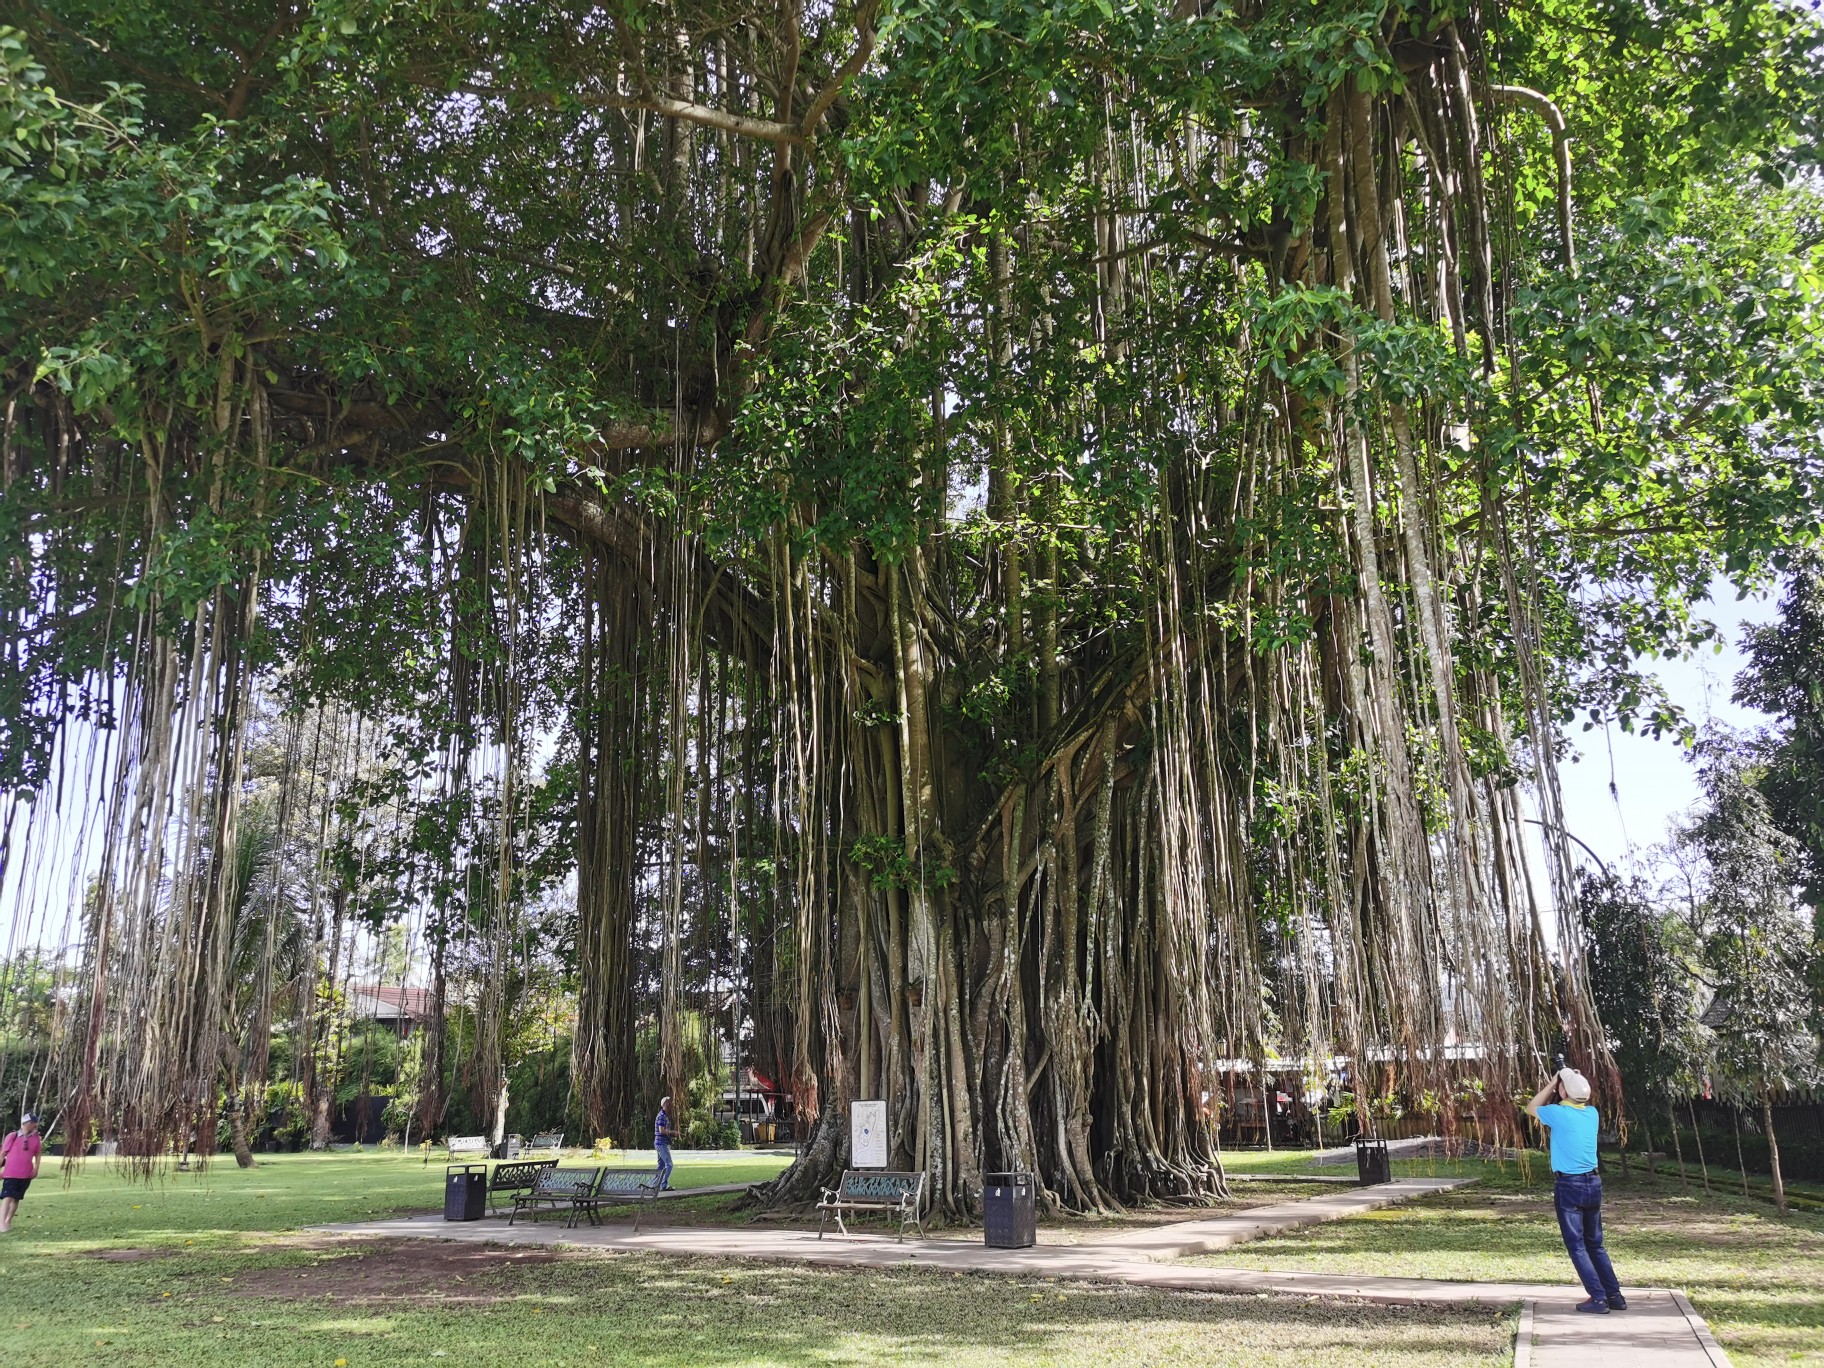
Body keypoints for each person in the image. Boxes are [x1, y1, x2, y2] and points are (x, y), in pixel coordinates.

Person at [1526, 1067, 1628, 1313]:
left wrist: (1553, 1082)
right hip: (1593, 1184)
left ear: (1563, 1091)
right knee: (1595, 1244)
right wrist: (1570, 1080)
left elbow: (1531, 1107)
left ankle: (1598, 1298)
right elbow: (1573, 1095)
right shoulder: (1592, 1114)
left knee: (1577, 1245)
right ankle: (1615, 1296)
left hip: (1569, 1185)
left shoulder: (1558, 1113)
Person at [0, 1112, 44, 1234]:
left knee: (16, 1199)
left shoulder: (35, 1138)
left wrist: (36, 1168)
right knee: (7, 1197)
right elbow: (3, 1153)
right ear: (27, 1123)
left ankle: (8, 1221)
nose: (36, 1124)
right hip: (10, 1173)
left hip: (25, 1174)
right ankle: (1, 1223)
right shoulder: (12, 1136)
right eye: (34, 1122)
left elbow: (38, 1153)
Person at [654, 1095, 676, 1191]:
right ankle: (663, 1185)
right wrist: (672, 1132)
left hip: (660, 1143)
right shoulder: (662, 1116)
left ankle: (654, 1184)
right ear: (665, 1104)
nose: (671, 1104)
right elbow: (661, 1130)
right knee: (669, 1164)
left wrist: (671, 1134)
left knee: (661, 1166)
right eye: (669, 1102)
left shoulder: (665, 1116)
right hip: (661, 1143)